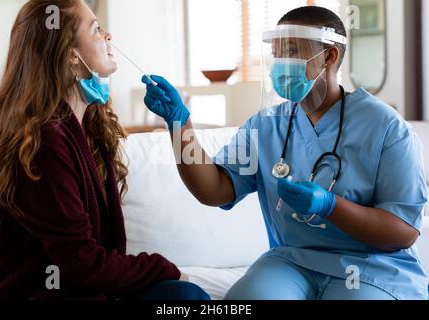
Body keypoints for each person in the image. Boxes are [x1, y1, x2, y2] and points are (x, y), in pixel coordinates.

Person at [141, 6, 428, 300]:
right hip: (292, 263)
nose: (280, 64)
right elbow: (214, 190)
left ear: (329, 56)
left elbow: (403, 231)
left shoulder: (386, 128)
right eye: (277, 54)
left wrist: (330, 205)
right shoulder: (266, 126)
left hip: (372, 267)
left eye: (291, 51)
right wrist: (179, 124)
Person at [0, 0, 209, 300]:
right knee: (184, 297)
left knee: (182, 295)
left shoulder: (88, 129)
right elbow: (81, 261)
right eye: (96, 29)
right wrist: (166, 269)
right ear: (72, 56)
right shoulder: (44, 142)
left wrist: (179, 123)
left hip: (80, 287)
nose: (108, 35)